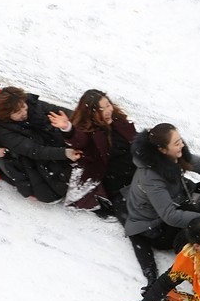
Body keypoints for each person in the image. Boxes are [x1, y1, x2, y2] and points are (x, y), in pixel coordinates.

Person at [124, 124, 200, 286]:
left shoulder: (174, 156)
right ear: (163, 150)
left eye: (180, 140)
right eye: (177, 143)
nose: (182, 145)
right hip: (156, 227)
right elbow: (170, 216)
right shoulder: (151, 176)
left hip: (176, 199)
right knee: (195, 222)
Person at [48, 90, 137, 221]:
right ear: (91, 113)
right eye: (101, 109)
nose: (107, 111)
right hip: (113, 176)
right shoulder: (90, 132)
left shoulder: (118, 120)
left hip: (132, 166)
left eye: (108, 105)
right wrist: (68, 128)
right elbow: (80, 139)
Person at [0, 86, 78, 203]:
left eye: (23, 107)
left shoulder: (32, 104)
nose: (24, 112)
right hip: (36, 158)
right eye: (18, 112)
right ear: (7, 115)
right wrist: (65, 153)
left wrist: (79, 119)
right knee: (59, 184)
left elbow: (57, 111)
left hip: (50, 141)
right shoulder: (4, 132)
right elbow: (35, 150)